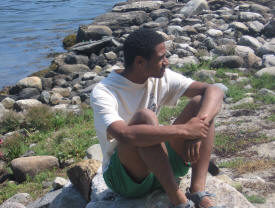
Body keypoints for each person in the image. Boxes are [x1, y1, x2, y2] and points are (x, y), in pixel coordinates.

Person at [91, 28, 224, 208]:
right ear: (139, 62)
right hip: (126, 177)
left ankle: (197, 192)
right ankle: (179, 201)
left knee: (201, 104)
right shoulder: (104, 91)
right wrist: (185, 130)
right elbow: (124, 135)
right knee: (145, 118)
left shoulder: (161, 77)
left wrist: (197, 131)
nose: (166, 62)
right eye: (161, 58)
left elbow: (213, 90)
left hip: (160, 166)